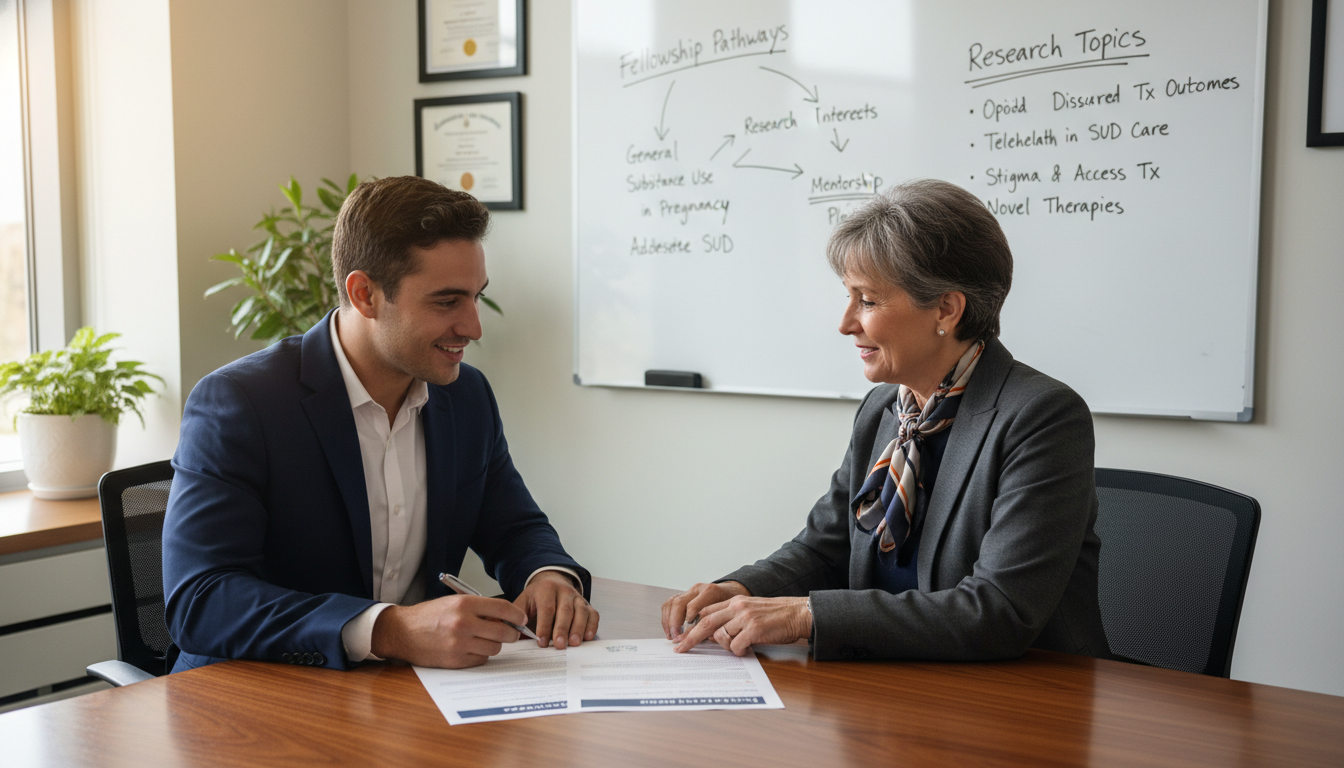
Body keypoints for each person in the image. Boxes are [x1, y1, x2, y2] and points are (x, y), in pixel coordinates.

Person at [661, 179, 1112, 662]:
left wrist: (805, 616)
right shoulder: (884, 409)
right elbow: (823, 549)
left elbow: (997, 610)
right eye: (848, 296)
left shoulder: (1042, 417)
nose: (846, 322)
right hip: (892, 686)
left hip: (1025, 700)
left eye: (868, 300)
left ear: (946, 308)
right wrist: (740, 588)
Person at [164, 176, 597, 672]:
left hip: (403, 697)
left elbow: (515, 527)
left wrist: (549, 577)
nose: (474, 326)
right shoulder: (241, 403)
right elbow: (200, 598)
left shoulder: (466, 396)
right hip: (256, 699)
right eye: (447, 301)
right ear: (365, 294)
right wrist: (388, 628)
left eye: (477, 297)